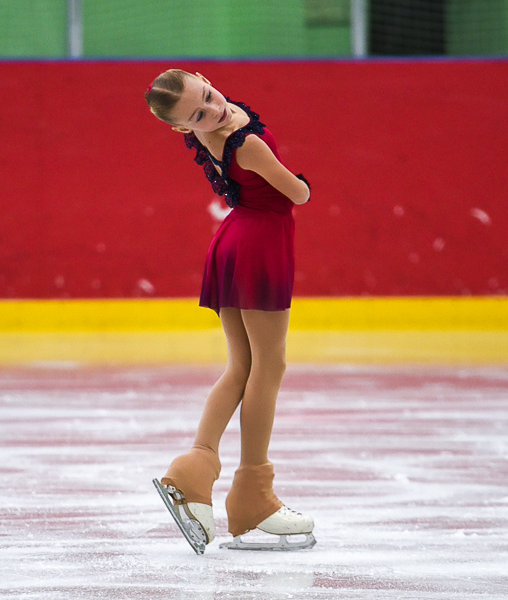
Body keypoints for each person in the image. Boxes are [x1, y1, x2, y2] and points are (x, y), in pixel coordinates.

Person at [145, 69, 315, 553]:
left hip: (233, 240)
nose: (213, 110)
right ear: (182, 129)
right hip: (260, 243)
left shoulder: (209, 134)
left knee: (242, 365)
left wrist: (211, 115)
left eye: (209, 96)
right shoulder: (246, 144)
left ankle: (193, 471)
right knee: (269, 364)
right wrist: (299, 181)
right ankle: (253, 498)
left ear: (205, 79)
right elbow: (297, 192)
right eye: (198, 114)